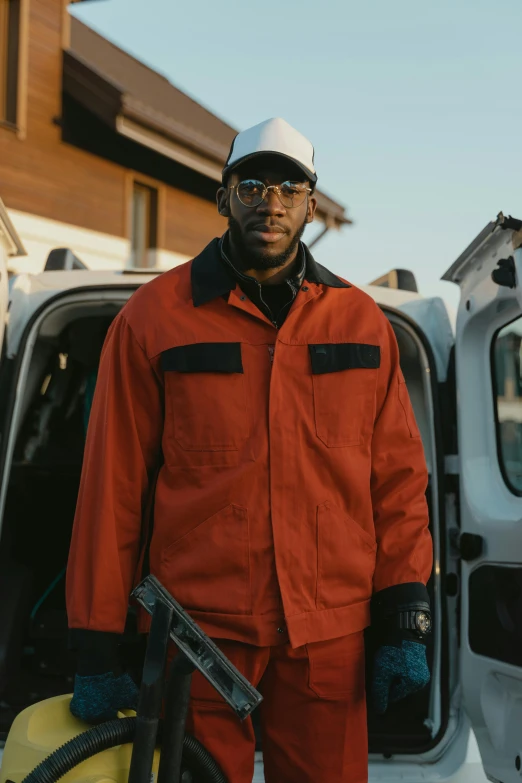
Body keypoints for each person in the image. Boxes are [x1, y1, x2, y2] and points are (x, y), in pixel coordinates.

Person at [66, 117, 433, 783]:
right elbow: (110, 489)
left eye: (289, 186)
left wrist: (404, 614)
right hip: (196, 637)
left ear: (310, 203)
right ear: (224, 196)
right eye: (253, 184)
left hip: (327, 635)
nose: (271, 201)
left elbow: (398, 483)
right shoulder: (152, 320)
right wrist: (95, 642)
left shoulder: (361, 325)